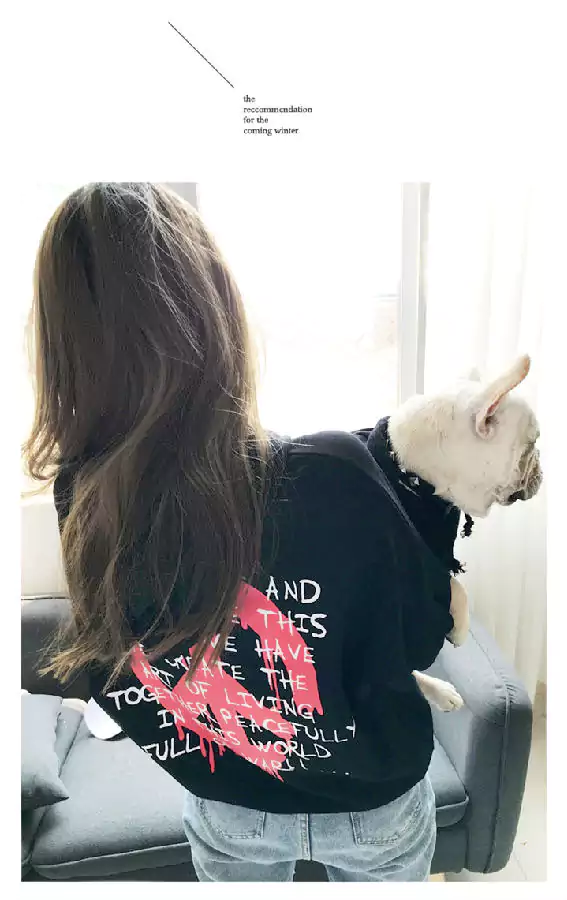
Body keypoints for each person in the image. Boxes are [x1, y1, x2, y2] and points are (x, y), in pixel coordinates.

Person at [24, 182, 454, 882]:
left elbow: (120, 661)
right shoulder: (332, 471)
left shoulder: (84, 496)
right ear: (214, 306)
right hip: (372, 801)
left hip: (229, 799)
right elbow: (419, 639)